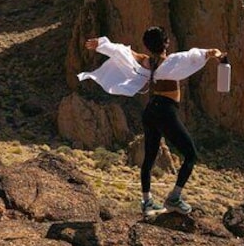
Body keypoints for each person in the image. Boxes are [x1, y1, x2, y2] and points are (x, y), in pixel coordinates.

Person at [80, 26, 224, 216]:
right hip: (165, 111)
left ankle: (147, 202)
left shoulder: (147, 62)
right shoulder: (170, 62)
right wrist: (213, 53)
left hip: (150, 111)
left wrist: (102, 45)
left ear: (148, 46)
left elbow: (124, 52)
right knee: (190, 155)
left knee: (149, 158)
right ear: (166, 42)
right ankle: (174, 198)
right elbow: (193, 56)